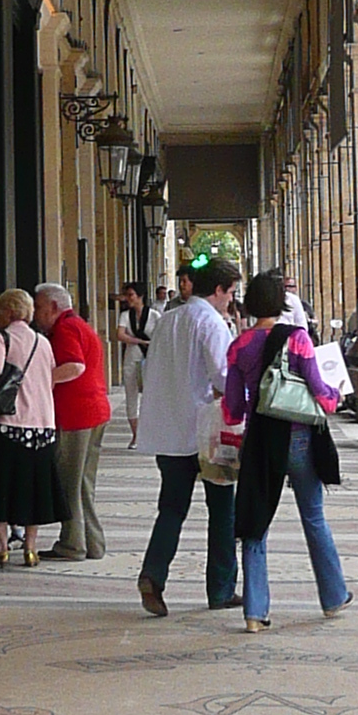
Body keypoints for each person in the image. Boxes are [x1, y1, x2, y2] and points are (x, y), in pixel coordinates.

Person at [224, 268, 350, 629]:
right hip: (298, 437)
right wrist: (335, 397)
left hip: (260, 440)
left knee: (254, 522)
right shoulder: (297, 339)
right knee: (313, 516)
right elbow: (317, 388)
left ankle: (255, 612)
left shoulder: (239, 346)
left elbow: (233, 408)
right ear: (282, 304)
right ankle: (333, 596)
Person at [135, 253, 241, 615]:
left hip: (169, 430)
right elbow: (223, 378)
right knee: (222, 509)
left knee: (171, 508)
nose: (231, 300)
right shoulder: (211, 323)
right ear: (218, 289)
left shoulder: (168, 319)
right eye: (230, 292)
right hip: (208, 433)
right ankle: (221, 589)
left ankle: (153, 573)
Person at [0, 289, 57, 567]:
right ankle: (31, 548)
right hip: (42, 425)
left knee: (0, 486)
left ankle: (2, 547)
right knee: (34, 488)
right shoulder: (43, 343)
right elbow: (50, 378)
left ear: (9, 312)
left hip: (7, 424)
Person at [37, 280, 110, 558]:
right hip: (94, 411)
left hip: (76, 414)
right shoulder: (80, 325)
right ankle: (93, 543)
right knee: (83, 483)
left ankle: (72, 544)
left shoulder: (65, 328)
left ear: (54, 307)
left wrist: (40, 380)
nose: (36, 314)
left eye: (40, 308)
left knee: (69, 482)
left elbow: (74, 365)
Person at [116, 282, 149, 447]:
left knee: (149, 396)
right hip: (131, 359)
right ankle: (136, 434)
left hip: (148, 360)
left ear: (140, 296)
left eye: (131, 295)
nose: (128, 298)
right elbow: (120, 335)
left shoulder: (154, 315)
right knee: (131, 397)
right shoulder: (125, 315)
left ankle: (146, 433)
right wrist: (140, 341)